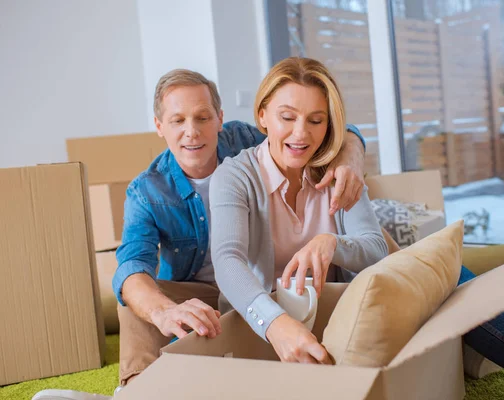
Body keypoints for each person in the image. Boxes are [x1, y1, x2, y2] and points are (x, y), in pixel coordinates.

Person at [210, 57, 504, 399]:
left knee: (442, 275)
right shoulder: (234, 177)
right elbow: (228, 261)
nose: (301, 134)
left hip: (348, 309)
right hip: (266, 322)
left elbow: (374, 250)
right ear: (262, 115)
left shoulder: (337, 172)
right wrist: (276, 326)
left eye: (316, 120)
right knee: (447, 286)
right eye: (287, 117)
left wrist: (332, 242)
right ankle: (476, 342)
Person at [32, 68, 367, 400]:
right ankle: (136, 390)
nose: (192, 132)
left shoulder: (248, 141)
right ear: (159, 126)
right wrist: (164, 311)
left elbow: (321, 128)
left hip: (260, 280)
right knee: (137, 300)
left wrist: (351, 156)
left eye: (203, 117)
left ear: (220, 118)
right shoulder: (147, 191)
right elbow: (132, 266)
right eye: (178, 121)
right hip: (201, 292)